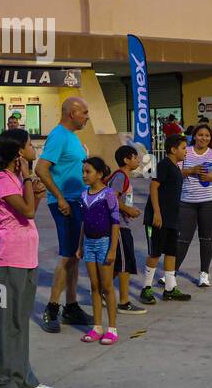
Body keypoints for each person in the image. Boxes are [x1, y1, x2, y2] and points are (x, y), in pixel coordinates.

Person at [0, 129, 56, 388]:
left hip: (27, 258)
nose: (34, 147)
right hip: (8, 260)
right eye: (29, 144)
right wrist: (28, 179)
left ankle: (23, 378)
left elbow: (30, 208)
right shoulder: (3, 179)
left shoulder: (16, 178)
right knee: (5, 323)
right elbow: (26, 212)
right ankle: (3, 384)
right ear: (19, 152)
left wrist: (35, 192)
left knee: (20, 321)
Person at [36, 97, 93, 332]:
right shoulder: (59, 135)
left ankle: (71, 306)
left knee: (74, 256)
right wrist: (59, 197)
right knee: (67, 255)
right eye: (85, 112)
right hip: (65, 203)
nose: (87, 117)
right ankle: (51, 308)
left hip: (76, 201)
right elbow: (41, 168)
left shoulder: (72, 136)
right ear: (72, 113)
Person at [176, 122, 212, 287]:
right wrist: (192, 170)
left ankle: (204, 274)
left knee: (206, 238)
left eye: (207, 135)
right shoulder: (185, 152)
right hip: (187, 202)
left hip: (211, 202)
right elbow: (176, 172)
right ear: (194, 136)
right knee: (182, 239)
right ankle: (172, 273)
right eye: (200, 135)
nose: (204, 138)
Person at [142, 134, 191, 302]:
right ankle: (146, 288)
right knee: (155, 253)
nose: (186, 151)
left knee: (171, 252)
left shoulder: (175, 167)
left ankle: (170, 288)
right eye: (184, 148)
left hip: (172, 218)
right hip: (158, 218)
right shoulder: (163, 165)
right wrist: (157, 212)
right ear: (173, 149)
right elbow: (153, 187)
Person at [78, 157, 121, 345]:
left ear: (100, 174)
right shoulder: (83, 195)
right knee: (94, 286)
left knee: (107, 287)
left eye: (88, 172)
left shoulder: (108, 194)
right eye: (83, 172)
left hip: (104, 243)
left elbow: (115, 223)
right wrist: (79, 246)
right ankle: (97, 326)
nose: (84, 175)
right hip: (88, 243)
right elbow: (83, 223)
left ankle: (112, 328)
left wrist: (112, 249)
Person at [107, 145, 146, 315]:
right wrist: (128, 210)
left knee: (119, 264)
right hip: (119, 226)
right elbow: (111, 199)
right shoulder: (120, 176)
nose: (137, 160)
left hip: (122, 224)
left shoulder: (123, 176)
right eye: (135, 157)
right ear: (126, 160)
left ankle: (103, 290)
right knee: (124, 264)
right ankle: (124, 301)